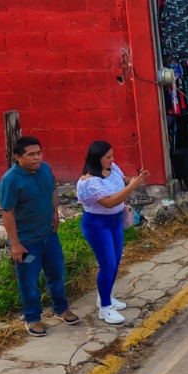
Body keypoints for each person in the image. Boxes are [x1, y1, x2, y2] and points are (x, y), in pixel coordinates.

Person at [0, 135, 79, 337]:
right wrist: (15, 244)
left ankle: (61, 309)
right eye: (31, 155)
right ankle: (33, 318)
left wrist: (55, 212)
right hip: (27, 244)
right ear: (18, 157)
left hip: (49, 237)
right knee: (29, 281)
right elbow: (7, 213)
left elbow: (52, 190)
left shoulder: (45, 169)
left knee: (57, 273)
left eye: (39, 153)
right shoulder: (10, 180)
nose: (37, 158)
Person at [76, 140, 148, 326]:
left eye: (112, 156)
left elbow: (122, 180)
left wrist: (135, 179)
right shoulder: (90, 182)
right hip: (97, 225)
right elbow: (109, 202)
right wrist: (132, 187)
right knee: (107, 264)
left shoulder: (112, 169)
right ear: (97, 158)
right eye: (108, 157)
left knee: (115, 262)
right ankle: (105, 308)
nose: (112, 160)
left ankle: (105, 296)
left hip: (114, 222)